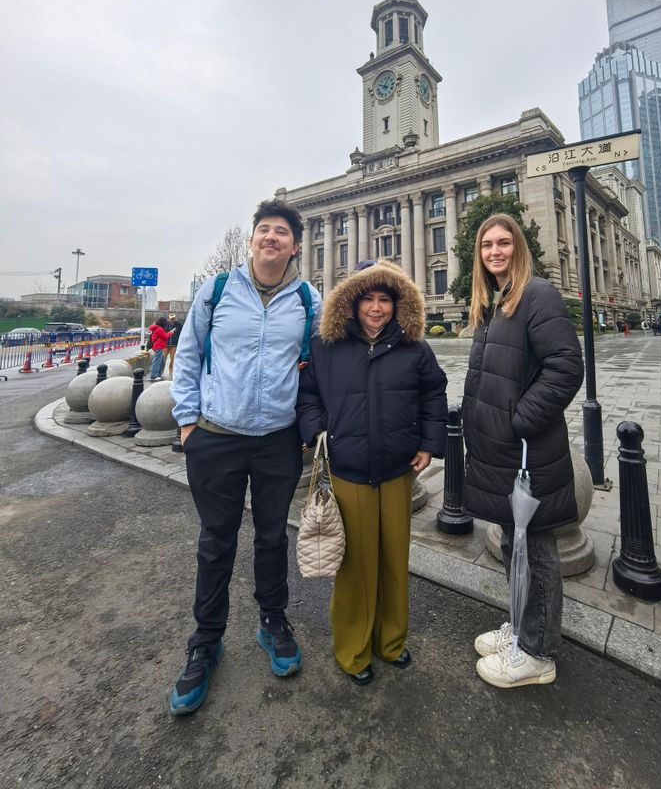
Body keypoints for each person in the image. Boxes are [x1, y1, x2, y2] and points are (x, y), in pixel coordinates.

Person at [168, 199, 322, 716]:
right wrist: (188, 423)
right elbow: (188, 353)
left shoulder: (307, 299)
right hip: (215, 436)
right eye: (264, 230)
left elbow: (327, 358)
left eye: (282, 231)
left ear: (295, 245)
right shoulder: (217, 291)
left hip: (278, 439)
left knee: (274, 535)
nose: (271, 238)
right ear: (252, 240)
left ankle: (272, 621)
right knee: (216, 541)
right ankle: (206, 641)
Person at [297, 260, 447, 686]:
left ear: (397, 305)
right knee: (356, 565)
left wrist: (428, 443)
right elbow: (307, 396)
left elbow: (433, 392)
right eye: (369, 299)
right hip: (348, 469)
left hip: (397, 470)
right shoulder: (325, 345)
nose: (377, 308)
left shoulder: (414, 347)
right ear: (352, 302)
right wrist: (318, 432)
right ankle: (353, 649)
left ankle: (391, 641)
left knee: (395, 560)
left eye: (385, 299)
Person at [460, 214, 584, 689]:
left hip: (527, 451)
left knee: (536, 547)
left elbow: (566, 367)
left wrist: (518, 421)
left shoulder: (537, 294)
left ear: (519, 247)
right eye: (487, 244)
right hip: (504, 452)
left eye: (504, 243)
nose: (495, 251)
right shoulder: (494, 302)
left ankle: (538, 652)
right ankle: (523, 627)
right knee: (516, 546)